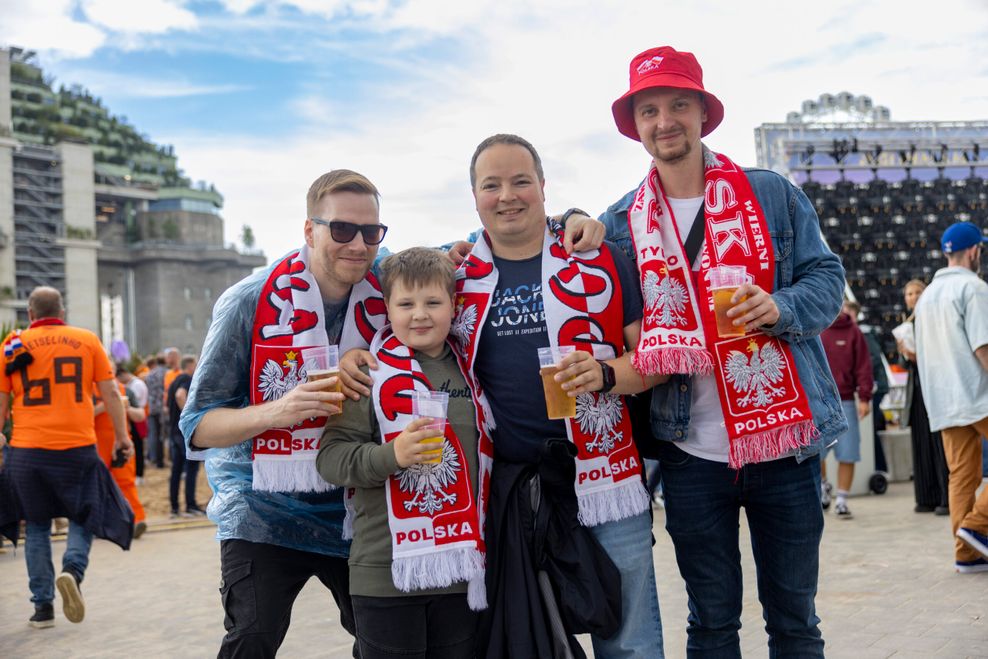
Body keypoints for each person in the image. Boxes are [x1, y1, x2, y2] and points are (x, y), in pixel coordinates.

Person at [578, 46, 846, 656]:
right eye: (649, 110)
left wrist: (780, 308)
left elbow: (826, 279)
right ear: (636, 126)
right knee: (712, 621)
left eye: (678, 104)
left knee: (796, 619)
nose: (664, 121)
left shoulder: (770, 193)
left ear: (702, 113)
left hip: (787, 442)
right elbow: (558, 264)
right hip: (690, 452)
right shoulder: (619, 222)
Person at [459, 134, 665, 657]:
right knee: (526, 641)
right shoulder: (455, 276)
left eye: (521, 180)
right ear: (475, 196)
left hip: (606, 479)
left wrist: (605, 373)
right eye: (492, 184)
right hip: (509, 492)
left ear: (543, 187)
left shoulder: (604, 258)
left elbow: (657, 362)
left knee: (630, 640)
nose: (508, 195)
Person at [179, 169, 391, 657]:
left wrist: (571, 221)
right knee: (252, 637)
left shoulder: (388, 281)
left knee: (388, 642)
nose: (358, 244)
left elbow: (460, 256)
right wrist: (279, 411)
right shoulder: (248, 301)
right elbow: (197, 427)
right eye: (341, 230)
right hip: (262, 509)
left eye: (371, 232)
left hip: (353, 507)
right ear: (309, 230)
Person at [317, 247, 490, 658]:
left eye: (433, 302)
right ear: (388, 309)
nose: (420, 315)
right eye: (406, 304)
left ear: (453, 306)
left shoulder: (473, 366)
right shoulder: (369, 371)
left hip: (461, 572)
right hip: (384, 572)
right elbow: (330, 459)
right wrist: (392, 455)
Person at [0, 286, 134, 628]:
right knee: (83, 515)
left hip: (27, 451)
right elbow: (112, 395)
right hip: (76, 450)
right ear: (62, 311)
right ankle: (72, 571)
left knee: (38, 527)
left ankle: (42, 608)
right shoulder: (86, 340)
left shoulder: (12, 345)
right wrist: (122, 438)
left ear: (30, 314)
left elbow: (0, 406)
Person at [914, 221, 988, 573]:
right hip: (977, 393)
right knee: (965, 476)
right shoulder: (973, 288)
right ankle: (978, 526)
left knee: (962, 476)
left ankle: (966, 553)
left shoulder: (927, 295)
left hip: (943, 398)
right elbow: (983, 346)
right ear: (974, 250)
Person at [897, 279, 949, 514]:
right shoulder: (906, 323)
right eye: (909, 293)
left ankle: (945, 497)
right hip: (916, 388)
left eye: (918, 292)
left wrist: (919, 356)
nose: (914, 296)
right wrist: (904, 354)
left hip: (936, 385)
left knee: (938, 442)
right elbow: (902, 364)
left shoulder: (935, 320)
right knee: (920, 441)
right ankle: (925, 496)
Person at [820, 305, 874, 519]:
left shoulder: (854, 332)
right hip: (820, 401)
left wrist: (865, 397)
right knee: (816, 453)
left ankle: (842, 500)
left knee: (848, 452)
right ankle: (823, 487)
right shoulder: (815, 325)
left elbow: (864, 366)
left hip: (846, 401)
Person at [94, 378, 148, 537]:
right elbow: (82, 415)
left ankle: (137, 521)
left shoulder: (125, 390)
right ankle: (101, 524)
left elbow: (140, 416)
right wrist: (105, 406)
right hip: (97, 442)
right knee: (98, 484)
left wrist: (127, 408)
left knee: (126, 482)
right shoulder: (87, 389)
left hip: (121, 441)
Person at [843, 300, 890, 475]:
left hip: (875, 386)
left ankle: (879, 468)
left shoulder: (863, 334)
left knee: (871, 428)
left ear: (855, 315)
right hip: (866, 387)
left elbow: (872, 360)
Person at [167, 355, 202, 517]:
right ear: (190, 366)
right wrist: (190, 416)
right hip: (183, 433)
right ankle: (190, 505)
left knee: (176, 470)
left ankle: (174, 507)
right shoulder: (186, 379)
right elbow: (180, 396)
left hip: (173, 431)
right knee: (192, 468)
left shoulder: (173, 381)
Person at [117, 364, 149, 483]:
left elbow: (137, 406)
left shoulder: (134, 386)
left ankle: (139, 474)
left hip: (136, 418)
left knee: (138, 446)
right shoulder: (130, 385)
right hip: (133, 416)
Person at [144, 355, 167, 468]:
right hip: (162, 407)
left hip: (151, 407)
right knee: (161, 435)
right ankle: (160, 460)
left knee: (153, 434)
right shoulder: (165, 373)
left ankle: (154, 458)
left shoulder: (149, 375)